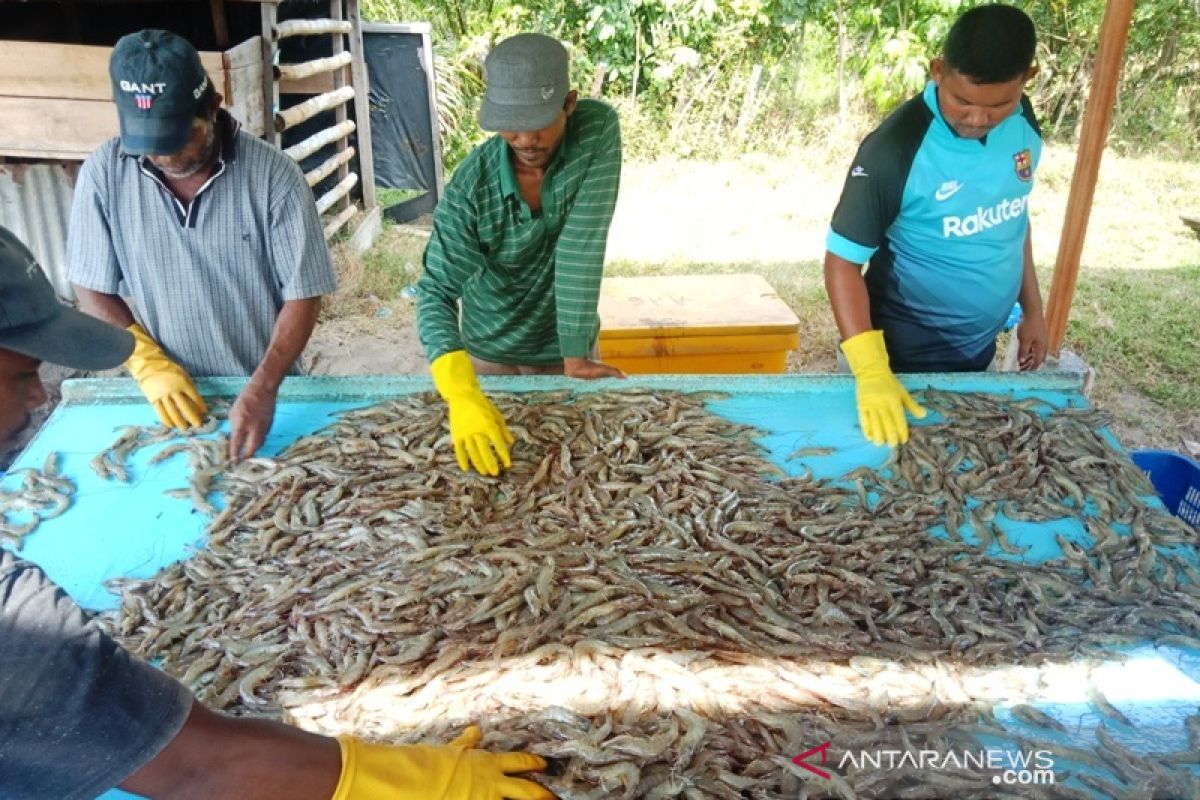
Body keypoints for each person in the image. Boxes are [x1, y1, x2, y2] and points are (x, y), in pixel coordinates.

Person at [0, 225, 553, 800]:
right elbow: (195, 764)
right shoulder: (14, 624)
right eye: (22, 375)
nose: (41, 397)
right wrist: (415, 780)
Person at [67, 29, 337, 461]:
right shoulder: (105, 173)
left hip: (264, 388)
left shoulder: (274, 178)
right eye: (150, 143)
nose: (167, 156)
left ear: (213, 105)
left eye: (180, 136)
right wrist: (145, 361)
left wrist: (265, 385)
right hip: (169, 396)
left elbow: (303, 295)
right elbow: (90, 285)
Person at [824, 5, 1047, 447]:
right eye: (962, 101)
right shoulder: (895, 148)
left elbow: (1013, 216)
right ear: (938, 71)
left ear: (1029, 78)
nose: (977, 118)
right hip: (903, 354)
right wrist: (871, 372)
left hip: (976, 349)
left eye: (997, 104)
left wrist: (1034, 311)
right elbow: (841, 264)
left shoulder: (1024, 122)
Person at [416, 33, 625, 477]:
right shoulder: (472, 188)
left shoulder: (597, 132)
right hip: (491, 354)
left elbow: (580, 245)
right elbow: (434, 290)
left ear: (569, 103)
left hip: (568, 348)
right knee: (496, 479)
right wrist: (462, 392)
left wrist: (575, 356)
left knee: (580, 476)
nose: (526, 139)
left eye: (540, 123)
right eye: (512, 125)